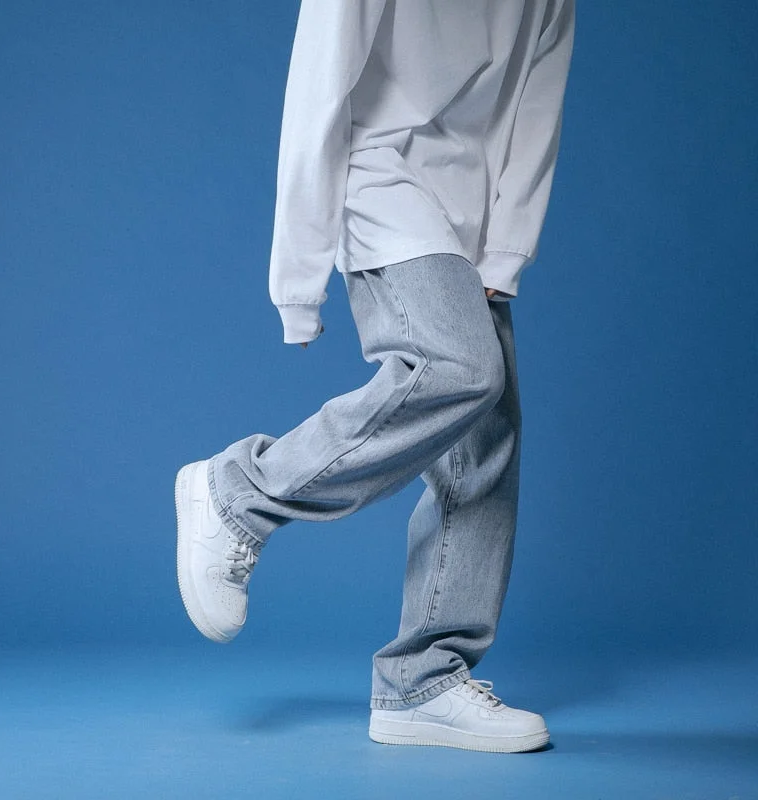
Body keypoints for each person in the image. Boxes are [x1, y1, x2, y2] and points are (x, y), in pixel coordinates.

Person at [175, 0, 575, 753]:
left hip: (472, 201)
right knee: (461, 368)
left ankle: (423, 681)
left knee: (487, 437)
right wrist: (297, 281)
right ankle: (242, 490)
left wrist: (507, 246)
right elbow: (318, 87)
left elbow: (537, 97)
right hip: (380, 174)